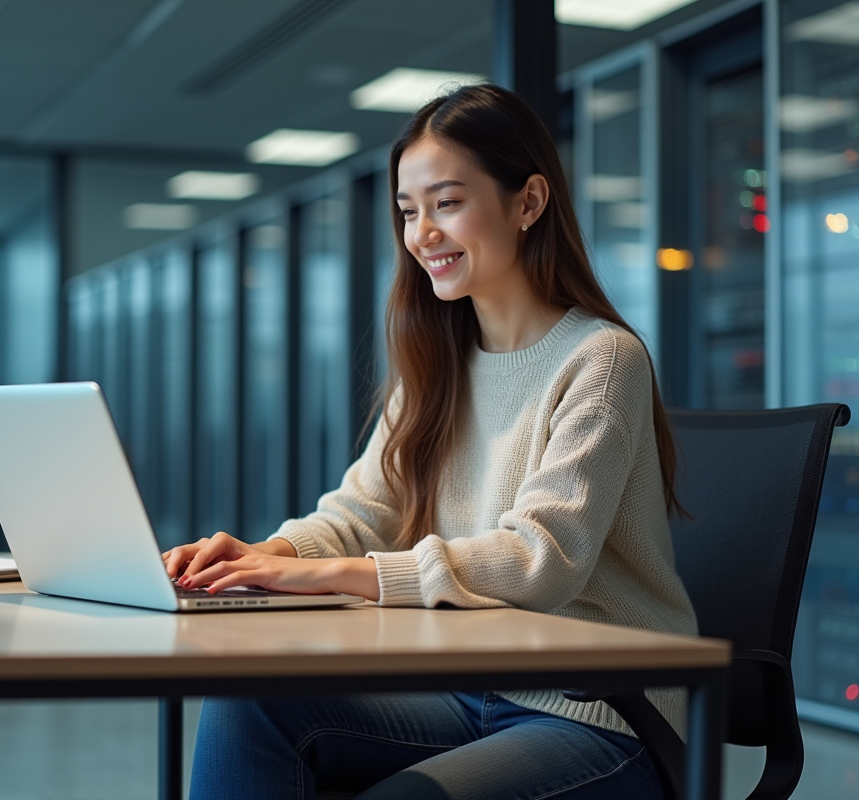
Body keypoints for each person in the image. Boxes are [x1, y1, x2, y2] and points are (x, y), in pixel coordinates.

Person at [162, 83, 697, 800]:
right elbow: (362, 511)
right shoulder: (440, 365)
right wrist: (267, 556)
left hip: (599, 711)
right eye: (409, 212)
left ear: (529, 202)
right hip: (468, 689)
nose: (421, 234)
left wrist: (328, 577)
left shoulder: (601, 359)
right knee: (248, 701)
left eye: (447, 203)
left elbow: (543, 559)